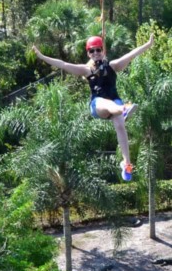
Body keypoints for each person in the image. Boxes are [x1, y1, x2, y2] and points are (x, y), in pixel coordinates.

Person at [32, 34, 154, 181]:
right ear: (88, 53)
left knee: (120, 125)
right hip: (98, 105)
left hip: (115, 101)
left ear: (103, 51)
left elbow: (131, 54)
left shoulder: (113, 66)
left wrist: (148, 44)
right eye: (92, 51)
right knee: (109, 104)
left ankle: (126, 163)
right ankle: (123, 110)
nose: (95, 53)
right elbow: (63, 64)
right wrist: (42, 56)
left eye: (98, 50)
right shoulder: (86, 70)